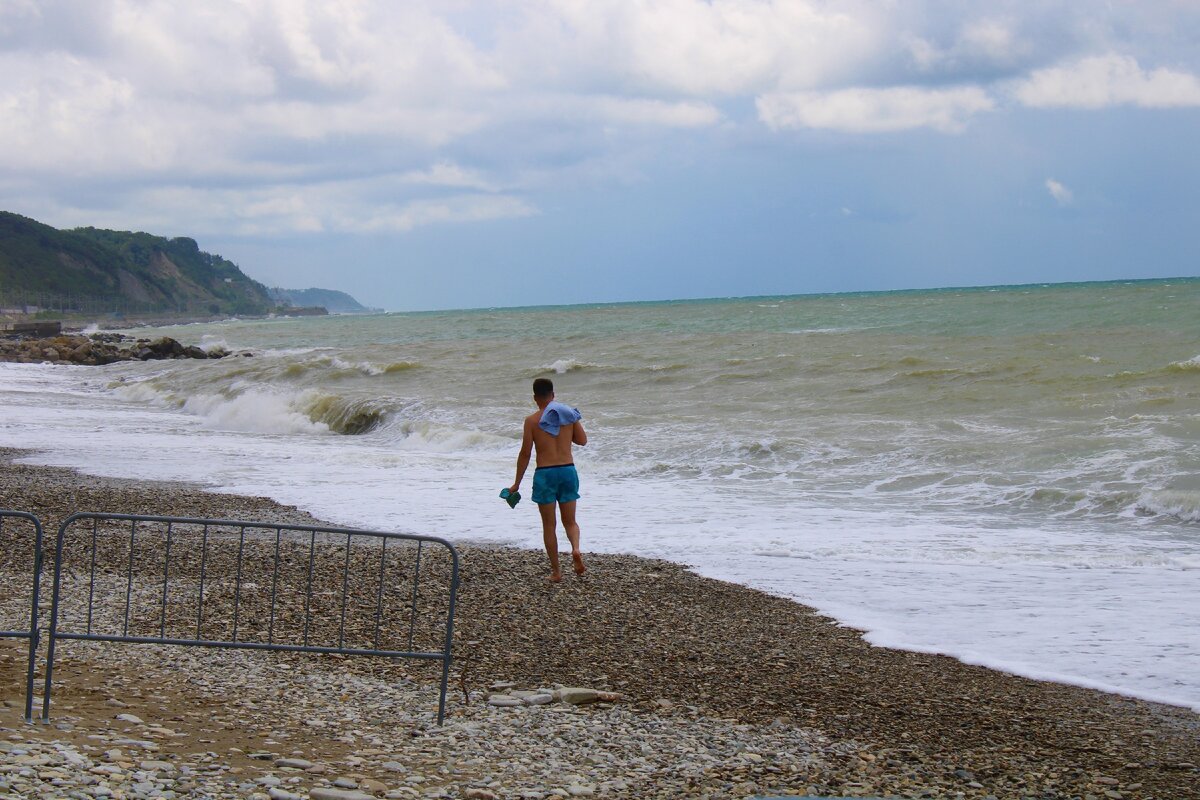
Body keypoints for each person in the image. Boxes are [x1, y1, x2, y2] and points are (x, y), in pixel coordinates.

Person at [509, 377, 587, 582]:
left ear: (535, 398)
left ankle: (556, 572)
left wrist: (516, 483)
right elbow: (582, 441)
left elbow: (525, 453)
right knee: (570, 521)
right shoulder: (568, 417)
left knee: (549, 525)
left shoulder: (532, 421)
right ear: (553, 395)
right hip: (567, 470)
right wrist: (573, 420)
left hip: (545, 473)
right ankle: (576, 549)